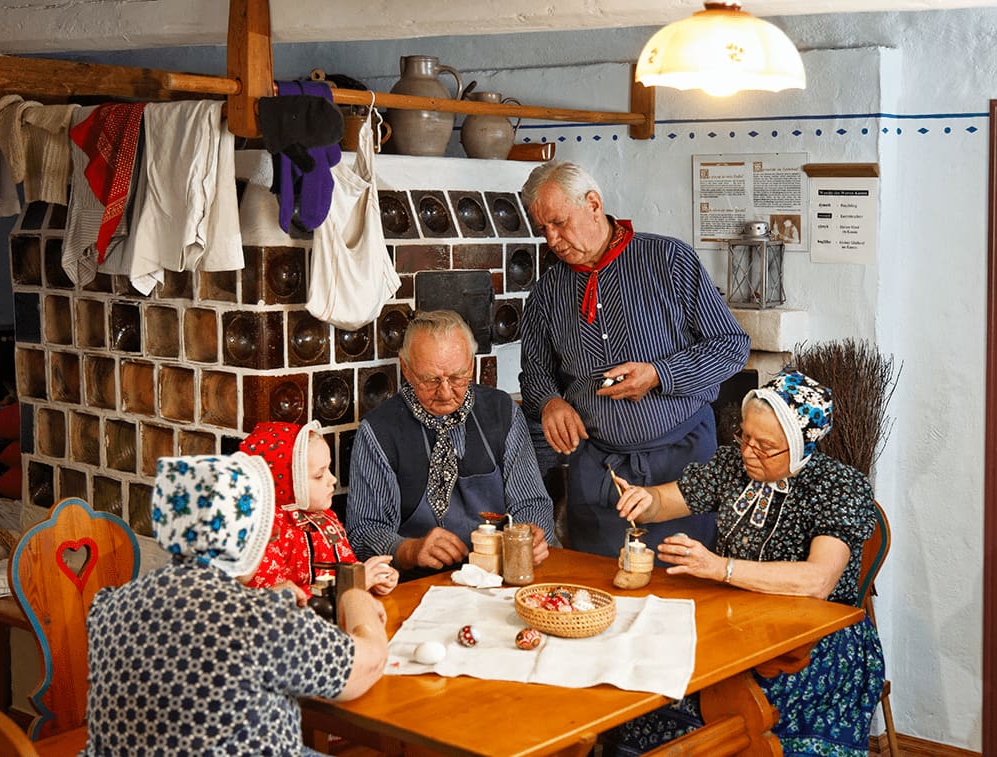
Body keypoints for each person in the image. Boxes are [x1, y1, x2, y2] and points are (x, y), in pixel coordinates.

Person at [608, 370, 884, 756]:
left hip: (814, 636)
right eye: (745, 436)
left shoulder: (837, 486)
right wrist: (645, 500)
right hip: (736, 618)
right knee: (648, 666)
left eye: (766, 446)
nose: (748, 452)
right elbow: (667, 501)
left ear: (800, 445)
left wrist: (721, 568)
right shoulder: (732, 466)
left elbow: (818, 580)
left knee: (748, 688)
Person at [82, 452, 389, 756]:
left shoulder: (109, 607)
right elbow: (366, 666)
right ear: (244, 536)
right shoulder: (262, 620)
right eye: (265, 530)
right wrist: (355, 596)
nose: (271, 537)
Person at [519, 160, 750, 559]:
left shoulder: (669, 259)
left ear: (593, 204)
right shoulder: (547, 292)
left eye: (559, 222)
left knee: (685, 584)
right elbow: (535, 374)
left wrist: (660, 374)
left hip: (684, 469)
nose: (552, 239)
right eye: (543, 229)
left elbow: (731, 346)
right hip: (600, 472)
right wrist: (550, 403)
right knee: (596, 586)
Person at [346, 309, 558, 579]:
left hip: (503, 573)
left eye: (457, 377)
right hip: (420, 582)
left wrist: (532, 537)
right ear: (406, 369)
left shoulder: (502, 412)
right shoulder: (379, 431)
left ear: (471, 365)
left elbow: (531, 502)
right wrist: (409, 550)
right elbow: (364, 531)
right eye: (430, 380)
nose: (445, 393)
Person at [240, 420, 398, 600]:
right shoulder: (265, 534)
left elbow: (349, 568)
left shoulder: (325, 518)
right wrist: (355, 583)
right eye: (319, 475)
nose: (333, 479)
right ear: (286, 483)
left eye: (328, 469)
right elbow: (275, 602)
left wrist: (375, 579)